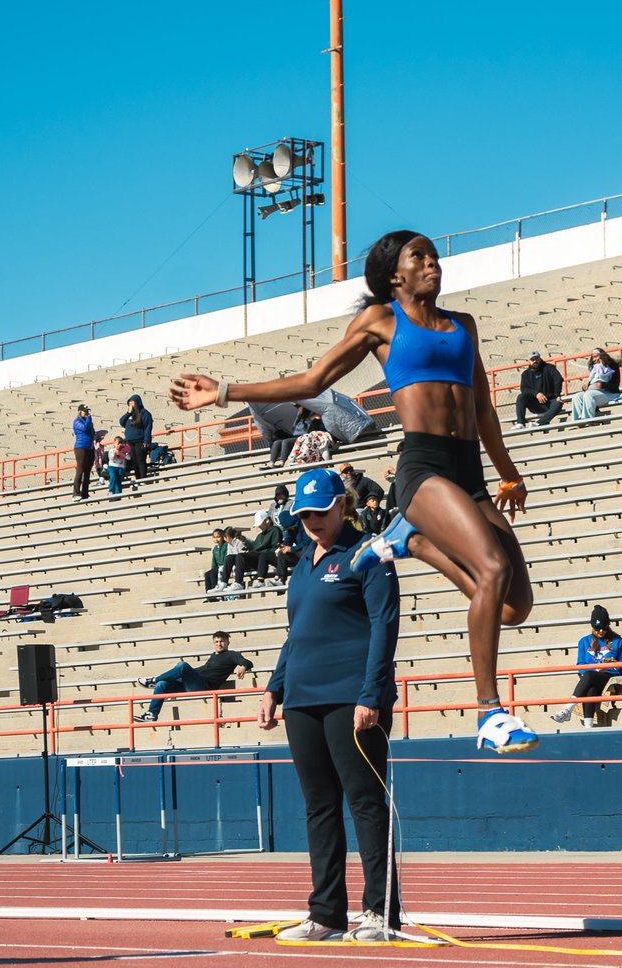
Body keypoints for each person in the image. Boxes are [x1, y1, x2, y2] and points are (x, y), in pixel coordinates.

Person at [170, 228, 537, 755]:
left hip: (469, 471)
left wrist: (508, 474)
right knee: (493, 570)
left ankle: (412, 544)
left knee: (512, 605)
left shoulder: (465, 326)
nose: (433, 263)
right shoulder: (382, 321)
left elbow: (483, 408)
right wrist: (226, 392)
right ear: (396, 275)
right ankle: (490, 713)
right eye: (420, 256)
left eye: (434, 255)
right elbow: (314, 380)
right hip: (423, 467)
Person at [258, 468, 401, 943]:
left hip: (351, 697)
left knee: (364, 803)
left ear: (343, 504)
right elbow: (296, 632)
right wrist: (274, 687)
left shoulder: (369, 552)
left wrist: (370, 693)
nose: (312, 521)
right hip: (302, 698)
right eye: (303, 515)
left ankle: (380, 913)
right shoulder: (302, 562)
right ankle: (326, 914)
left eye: (320, 511)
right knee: (319, 807)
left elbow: (385, 625)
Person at [134, 631, 253, 722]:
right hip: (192, 684)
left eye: (222, 641)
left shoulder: (232, 655)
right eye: (216, 642)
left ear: (228, 642)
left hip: (204, 687)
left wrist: (243, 667)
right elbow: (204, 670)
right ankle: (151, 714)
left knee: (182, 665)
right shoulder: (214, 656)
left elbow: (248, 662)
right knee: (162, 685)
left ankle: (154, 680)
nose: (219, 644)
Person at [551, 605, 622, 728]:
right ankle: (588, 727)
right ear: (592, 626)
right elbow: (580, 665)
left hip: (609, 675)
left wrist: (614, 663)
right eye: (597, 628)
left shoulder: (617, 640)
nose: (601, 631)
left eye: (604, 627)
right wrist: (598, 667)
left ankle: (568, 708)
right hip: (592, 676)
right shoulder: (584, 641)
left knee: (589, 677)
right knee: (590, 689)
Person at [513, 351, 564, 430]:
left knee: (558, 403)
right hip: (535, 404)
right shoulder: (525, 374)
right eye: (532, 359)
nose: (534, 361)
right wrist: (536, 394)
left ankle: (539, 423)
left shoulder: (549, 368)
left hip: (549, 402)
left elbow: (558, 379)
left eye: (536, 358)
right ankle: (520, 423)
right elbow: (524, 389)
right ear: (529, 361)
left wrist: (557, 395)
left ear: (540, 358)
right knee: (521, 397)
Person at [570, 348, 622, 423]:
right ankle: (577, 422)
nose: (594, 359)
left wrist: (603, 385)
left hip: (610, 393)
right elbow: (592, 382)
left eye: (596, 356)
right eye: (593, 357)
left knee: (589, 395)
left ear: (602, 356)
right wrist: (586, 387)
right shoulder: (595, 367)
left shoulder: (612, 367)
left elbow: (615, 385)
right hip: (595, 392)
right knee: (577, 396)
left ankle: (588, 420)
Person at [120, 394, 153, 482]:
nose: (130, 403)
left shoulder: (145, 413)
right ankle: (138, 479)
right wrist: (128, 413)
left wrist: (147, 441)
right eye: (129, 402)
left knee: (141, 460)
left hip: (140, 441)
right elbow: (121, 422)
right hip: (130, 442)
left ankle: (143, 479)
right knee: (134, 461)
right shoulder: (130, 414)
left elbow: (147, 428)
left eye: (132, 401)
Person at [273, 509, 309, 587]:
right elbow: (287, 541)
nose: (292, 529)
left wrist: (292, 549)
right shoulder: (290, 529)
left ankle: (305, 576)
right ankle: (281, 579)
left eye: (293, 527)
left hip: (308, 552)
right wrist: (282, 547)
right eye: (290, 528)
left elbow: (308, 541)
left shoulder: (304, 524)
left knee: (305, 548)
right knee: (281, 553)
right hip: (298, 553)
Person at [247, 510, 283, 587]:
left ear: (267, 521)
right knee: (240, 556)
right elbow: (254, 548)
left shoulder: (275, 530)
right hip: (260, 556)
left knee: (263, 555)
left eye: (260, 524)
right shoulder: (259, 535)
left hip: (271, 556)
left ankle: (260, 579)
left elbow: (275, 547)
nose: (259, 526)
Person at [71, 404, 96, 501]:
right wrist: (89, 419)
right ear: (80, 412)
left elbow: (92, 432)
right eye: (85, 411)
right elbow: (84, 429)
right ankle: (76, 493)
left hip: (89, 447)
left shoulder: (89, 422)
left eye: (87, 411)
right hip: (80, 447)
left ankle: (85, 493)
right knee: (80, 470)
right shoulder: (76, 421)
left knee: (87, 471)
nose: (87, 413)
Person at [203, 528, 228, 593]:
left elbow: (227, 558)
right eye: (214, 537)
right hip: (218, 567)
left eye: (218, 537)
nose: (216, 539)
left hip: (225, 566)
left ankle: (215, 592)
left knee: (213, 573)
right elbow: (214, 562)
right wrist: (213, 568)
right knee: (207, 574)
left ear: (223, 537)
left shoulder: (226, 545)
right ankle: (208, 595)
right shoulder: (215, 549)